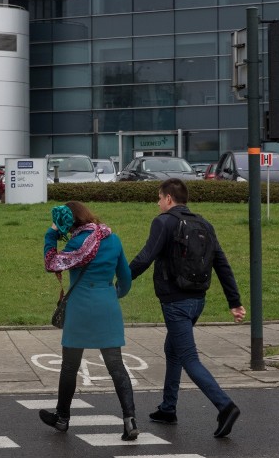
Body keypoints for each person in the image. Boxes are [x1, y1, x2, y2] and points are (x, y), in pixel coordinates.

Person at [129, 178, 246, 438]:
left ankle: (224, 406)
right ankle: (168, 408)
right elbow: (222, 264)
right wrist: (234, 302)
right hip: (197, 301)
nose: (158, 203)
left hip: (176, 302)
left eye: (159, 198)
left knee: (189, 357)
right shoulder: (203, 223)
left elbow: (145, 257)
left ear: (168, 199)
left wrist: (121, 281)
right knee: (172, 350)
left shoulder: (164, 222)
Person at [39, 201, 139, 441]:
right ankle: (130, 420)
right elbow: (125, 278)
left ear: (70, 222)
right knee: (116, 366)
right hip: (107, 307)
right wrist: (112, 295)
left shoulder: (76, 243)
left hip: (80, 309)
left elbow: (51, 262)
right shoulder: (112, 239)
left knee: (70, 366)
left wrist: (51, 233)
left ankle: (62, 418)